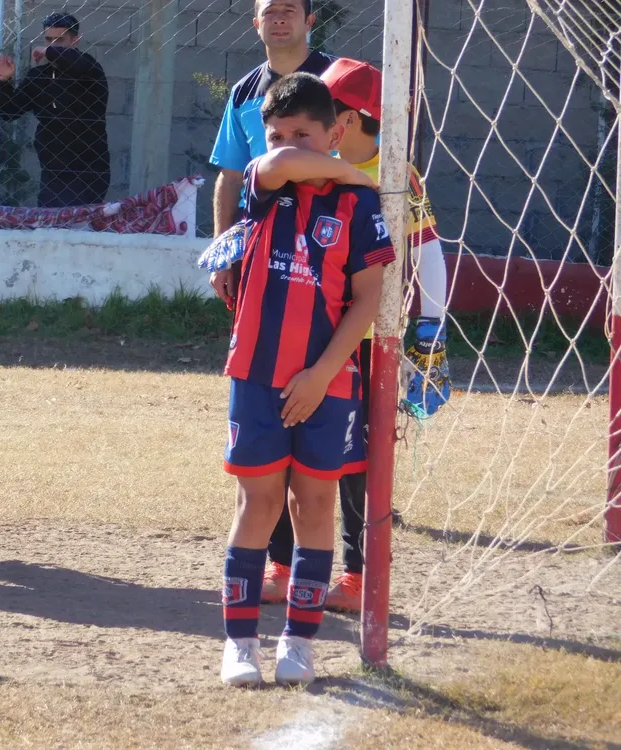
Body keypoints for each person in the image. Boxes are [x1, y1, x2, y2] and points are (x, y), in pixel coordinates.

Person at [219, 73, 393, 688]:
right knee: (259, 502)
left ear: (335, 132)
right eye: (277, 133)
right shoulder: (264, 183)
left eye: (303, 132)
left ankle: (298, 641)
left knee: (314, 503)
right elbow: (282, 163)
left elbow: (367, 299)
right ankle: (240, 643)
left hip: (329, 382)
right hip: (257, 373)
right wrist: (354, 171)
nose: (287, 144)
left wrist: (321, 373)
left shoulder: (360, 207)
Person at [259, 59, 450, 612]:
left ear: (346, 120)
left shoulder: (398, 174)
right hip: (296, 330)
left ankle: (358, 574)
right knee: (281, 450)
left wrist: (431, 329)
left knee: (355, 460)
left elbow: (428, 251)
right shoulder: (302, 165)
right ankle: (280, 563)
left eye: (326, 112)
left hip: (363, 340)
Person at [210, 0, 334, 304]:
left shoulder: (339, 79)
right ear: (256, 24)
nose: (279, 19)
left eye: (289, 10)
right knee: (258, 328)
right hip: (260, 232)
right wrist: (221, 255)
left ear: (310, 21)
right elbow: (230, 177)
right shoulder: (243, 93)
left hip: (328, 229)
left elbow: (369, 157)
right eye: (269, 12)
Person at [0, 12, 110, 208]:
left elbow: (74, 62)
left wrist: (47, 51)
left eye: (60, 40)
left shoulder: (89, 68)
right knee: (50, 219)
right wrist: (4, 81)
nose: (53, 45)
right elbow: (9, 111)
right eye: (48, 40)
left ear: (75, 41)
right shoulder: (39, 76)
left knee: (72, 219)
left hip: (88, 170)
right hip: (53, 171)